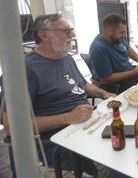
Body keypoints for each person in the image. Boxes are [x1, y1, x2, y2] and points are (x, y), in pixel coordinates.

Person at [1, 13, 116, 177]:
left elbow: (83, 85)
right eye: (65, 31)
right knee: (116, 152)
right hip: (57, 141)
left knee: (125, 136)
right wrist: (68, 118)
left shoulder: (65, 57)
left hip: (87, 125)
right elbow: (11, 127)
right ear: (44, 35)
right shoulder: (24, 70)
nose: (73, 35)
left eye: (72, 30)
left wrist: (104, 93)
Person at [89, 14, 138, 92]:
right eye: (121, 32)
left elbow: (128, 49)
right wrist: (134, 72)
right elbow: (106, 79)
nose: (124, 36)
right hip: (116, 83)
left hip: (129, 73)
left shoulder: (116, 38)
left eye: (124, 32)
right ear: (109, 31)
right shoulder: (98, 48)